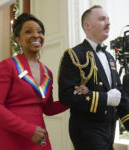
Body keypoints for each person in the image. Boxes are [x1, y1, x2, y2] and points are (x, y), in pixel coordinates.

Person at [0, 13, 88, 150]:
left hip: (39, 140)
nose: (36, 35)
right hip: (11, 139)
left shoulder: (47, 73)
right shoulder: (8, 65)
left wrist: (74, 97)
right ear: (18, 39)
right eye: (28, 31)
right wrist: (27, 130)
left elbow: (48, 109)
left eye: (40, 31)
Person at [58, 5, 129, 150]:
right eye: (102, 19)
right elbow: (66, 95)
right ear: (87, 25)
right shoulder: (74, 55)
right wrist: (105, 99)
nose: (108, 23)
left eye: (108, 19)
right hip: (87, 130)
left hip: (109, 129)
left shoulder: (110, 57)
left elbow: (118, 93)